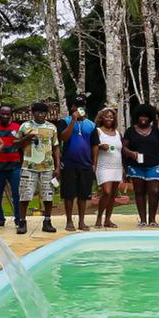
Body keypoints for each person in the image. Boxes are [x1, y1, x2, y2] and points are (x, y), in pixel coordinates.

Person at [15, 102, 60, 234]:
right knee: (25, 195)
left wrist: (57, 167)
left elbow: (56, 147)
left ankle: (47, 221)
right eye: (38, 112)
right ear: (33, 113)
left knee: (48, 195)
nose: (40, 115)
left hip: (47, 167)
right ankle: (22, 222)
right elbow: (15, 144)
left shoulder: (51, 127)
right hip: (29, 167)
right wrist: (26, 139)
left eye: (43, 113)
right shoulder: (25, 126)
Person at [57, 94, 96, 231]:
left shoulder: (91, 124)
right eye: (77, 106)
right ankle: (69, 221)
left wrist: (94, 163)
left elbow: (94, 145)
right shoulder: (65, 121)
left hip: (86, 164)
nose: (79, 109)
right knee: (69, 194)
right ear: (72, 107)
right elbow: (63, 138)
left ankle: (81, 221)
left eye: (82, 106)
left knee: (83, 195)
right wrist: (73, 120)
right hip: (69, 163)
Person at [124, 104, 159, 227]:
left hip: (154, 165)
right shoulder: (130, 131)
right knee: (139, 192)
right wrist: (131, 153)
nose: (143, 118)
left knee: (154, 191)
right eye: (141, 115)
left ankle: (152, 219)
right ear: (137, 116)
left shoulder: (156, 131)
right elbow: (123, 147)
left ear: (150, 117)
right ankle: (142, 219)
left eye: (146, 116)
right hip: (136, 167)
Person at [89, 107, 123, 229]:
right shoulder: (97, 131)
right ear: (101, 118)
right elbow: (92, 147)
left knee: (113, 194)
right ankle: (99, 218)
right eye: (107, 116)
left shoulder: (118, 133)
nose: (109, 118)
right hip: (103, 166)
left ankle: (108, 220)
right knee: (107, 192)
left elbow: (121, 151)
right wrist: (100, 146)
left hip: (117, 166)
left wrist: (123, 168)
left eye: (111, 117)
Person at [0, 104, 23, 230]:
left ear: (11, 115)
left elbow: (22, 146)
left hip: (15, 166)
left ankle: (18, 218)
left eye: (7, 114)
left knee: (17, 194)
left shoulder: (17, 128)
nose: (5, 116)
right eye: (2, 113)